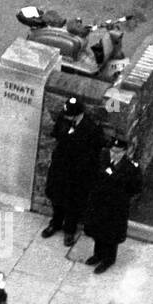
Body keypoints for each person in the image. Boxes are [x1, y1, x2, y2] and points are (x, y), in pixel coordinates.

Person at [42, 97, 105, 246]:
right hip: (61, 166)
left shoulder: (91, 128)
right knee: (57, 197)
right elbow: (57, 134)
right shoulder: (63, 119)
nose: (66, 116)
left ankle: (69, 230)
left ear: (78, 114)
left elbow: (94, 152)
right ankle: (55, 223)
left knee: (73, 202)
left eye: (70, 114)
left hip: (78, 171)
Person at [84, 137, 143, 273]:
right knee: (98, 230)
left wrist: (122, 197)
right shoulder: (103, 157)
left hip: (115, 206)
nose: (114, 154)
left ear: (124, 152)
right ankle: (97, 254)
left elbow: (136, 188)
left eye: (118, 152)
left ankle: (108, 259)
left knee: (111, 234)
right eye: (113, 151)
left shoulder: (131, 167)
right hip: (100, 202)